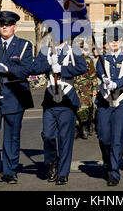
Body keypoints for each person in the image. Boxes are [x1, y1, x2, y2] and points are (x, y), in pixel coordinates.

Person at [0, 11, 34, 185]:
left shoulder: (24, 45)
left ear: (14, 27)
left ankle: (10, 171)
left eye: (9, 24)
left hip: (14, 95)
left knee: (12, 135)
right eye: (2, 24)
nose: (5, 26)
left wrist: (8, 70)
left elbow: (26, 70)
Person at [30, 36, 87, 185]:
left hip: (67, 99)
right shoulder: (45, 50)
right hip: (50, 99)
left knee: (65, 138)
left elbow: (82, 68)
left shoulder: (73, 50)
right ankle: (53, 162)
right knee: (48, 135)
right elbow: (34, 68)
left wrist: (62, 69)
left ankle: (63, 173)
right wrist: (49, 64)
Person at [95, 26, 123, 187]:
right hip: (105, 102)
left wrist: (115, 83)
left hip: (122, 102)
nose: (114, 43)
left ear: (122, 42)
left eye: (117, 40)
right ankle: (107, 161)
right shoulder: (103, 60)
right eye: (111, 40)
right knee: (104, 137)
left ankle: (114, 172)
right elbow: (99, 72)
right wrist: (105, 78)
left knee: (117, 138)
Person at [74, 42, 98, 139]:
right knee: (75, 108)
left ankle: (85, 126)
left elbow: (93, 75)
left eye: (81, 48)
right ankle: (76, 128)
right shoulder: (72, 59)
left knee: (85, 108)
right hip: (74, 87)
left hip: (86, 88)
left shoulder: (88, 60)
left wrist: (95, 88)